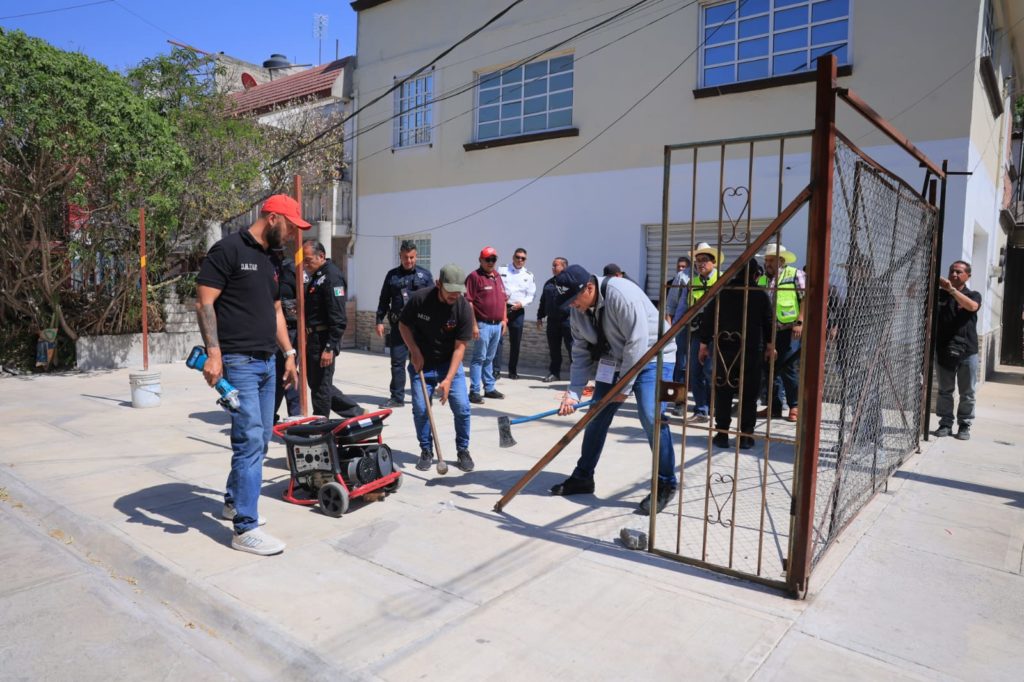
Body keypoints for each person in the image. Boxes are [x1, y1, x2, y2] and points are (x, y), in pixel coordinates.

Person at [195, 194, 303, 556]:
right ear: (273, 218)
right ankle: (245, 528)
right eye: (290, 227)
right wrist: (214, 354)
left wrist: (288, 354)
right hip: (237, 362)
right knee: (250, 437)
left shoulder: (272, 259)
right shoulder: (227, 250)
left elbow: (274, 310)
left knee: (259, 438)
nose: (291, 236)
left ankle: (232, 501)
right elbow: (205, 301)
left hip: (268, 361)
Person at [548, 265, 679, 515]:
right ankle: (583, 476)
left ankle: (666, 483)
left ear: (589, 287)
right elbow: (580, 352)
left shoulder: (622, 295)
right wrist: (573, 393)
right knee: (596, 415)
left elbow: (638, 343)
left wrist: (624, 387)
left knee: (651, 416)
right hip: (617, 359)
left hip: (654, 356)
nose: (572, 306)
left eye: (574, 299)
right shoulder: (578, 309)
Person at [399, 264, 475, 472]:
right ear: (438, 284)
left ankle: (463, 450)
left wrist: (449, 379)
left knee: (462, 407)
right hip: (421, 363)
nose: (454, 295)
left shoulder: (463, 308)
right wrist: (414, 351)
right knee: (422, 410)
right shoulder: (420, 299)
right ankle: (426, 450)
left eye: (458, 291)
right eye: (450, 290)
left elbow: (460, 347)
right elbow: (403, 325)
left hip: (449, 364)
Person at [698, 261, 773, 449]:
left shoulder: (723, 292)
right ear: (756, 274)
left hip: (726, 348)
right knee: (749, 393)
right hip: (751, 348)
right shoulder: (760, 295)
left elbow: (708, 317)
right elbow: (769, 321)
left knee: (724, 391)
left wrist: (703, 343)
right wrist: (771, 345)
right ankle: (745, 435)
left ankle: (722, 433)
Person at [302, 239, 364, 419]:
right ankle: (356, 412)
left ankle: (320, 427)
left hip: (323, 340)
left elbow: (338, 318)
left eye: (308, 260)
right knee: (317, 384)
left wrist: (330, 347)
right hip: (313, 338)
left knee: (321, 387)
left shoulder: (332, 277)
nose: (305, 265)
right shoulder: (317, 276)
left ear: (321, 256)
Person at [375, 240, 433, 408]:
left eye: (412, 257)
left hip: (420, 328)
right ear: (400, 256)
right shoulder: (392, 275)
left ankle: (422, 395)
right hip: (399, 327)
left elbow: (433, 301)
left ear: (416, 256)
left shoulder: (425, 275)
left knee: (420, 360)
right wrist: (379, 320)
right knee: (397, 362)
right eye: (405, 257)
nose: (409, 261)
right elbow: (384, 299)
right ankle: (397, 397)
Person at [756, 244, 806, 422]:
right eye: (766, 260)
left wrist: (800, 321)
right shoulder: (762, 279)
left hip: (789, 329)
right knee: (769, 368)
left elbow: (805, 298)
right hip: (769, 331)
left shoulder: (794, 274)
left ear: (781, 260)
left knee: (788, 367)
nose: (767, 263)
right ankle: (774, 407)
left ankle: (794, 406)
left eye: (770, 260)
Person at [935, 260, 981, 440]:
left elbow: (972, 307)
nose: (954, 274)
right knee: (945, 390)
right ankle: (945, 423)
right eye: (951, 271)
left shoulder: (973, 294)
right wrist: (930, 278)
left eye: (959, 272)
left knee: (967, 392)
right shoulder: (939, 295)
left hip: (967, 351)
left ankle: (964, 425)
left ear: (967, 276)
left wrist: (952, 290)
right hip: (944, 349)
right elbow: (912, 293)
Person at [465, 246, 508, 404]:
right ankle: (474, 391)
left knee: (490, 358)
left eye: (493, 259)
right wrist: (474, 325)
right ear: (480, 260)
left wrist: (504, 320)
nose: (491, 262)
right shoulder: (474, 277)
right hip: (482, 325)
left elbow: (503, 300)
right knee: (479, 359)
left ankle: (489, 388)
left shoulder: (497, 276)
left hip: (497, 325)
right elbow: (468, 303)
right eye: (487, 259)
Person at [686, 243, 723, 424]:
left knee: (712, 370)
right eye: (697, 261)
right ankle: (701, 410)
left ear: (714, 262)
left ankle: (715, 405)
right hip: (697, 331)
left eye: (704, 260)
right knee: (696, 371)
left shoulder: (723, 279)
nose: (700, 264)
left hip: (717, 332)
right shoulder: (692, 282)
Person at [495, 247, 535, 380]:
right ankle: (496, 370)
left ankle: (512, 371)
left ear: (525, 260)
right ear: (513, 257)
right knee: (498, 340)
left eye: (522, 258)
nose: (519, 260)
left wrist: (522, 304)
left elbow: (531, 295)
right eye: (517, 257)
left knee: (515, 342)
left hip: (517, 310)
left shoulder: (528, 275)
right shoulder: (502, 270)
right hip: (502, 308)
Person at [270, 248, 300, 421]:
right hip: (272, 329)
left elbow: (302, 298)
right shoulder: (267, 271)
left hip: (290, 329)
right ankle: (270, 413)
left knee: (288, 371)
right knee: (275, 372)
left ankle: (295, 414)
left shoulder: (290, 270)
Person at [537, 257, 573, 382]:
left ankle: (576, 375)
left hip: (568, 320)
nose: (553, 268)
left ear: (564, 267)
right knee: (554, 349)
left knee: (572, 348)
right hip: (552, 321)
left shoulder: (571, 283)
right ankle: (554, 373)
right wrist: (540, 316)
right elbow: (543, 301)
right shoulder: (549, 283)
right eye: (552, 265)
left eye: (555, 265)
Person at [666, 256, 691, 413]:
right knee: (679, 365)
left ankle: (704, 406)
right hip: (682, 325)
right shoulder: (681, 278)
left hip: (705, 327)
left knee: (703, 368)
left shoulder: (716, 276)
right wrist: (669, 328)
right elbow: (671, 304)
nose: (680, 269)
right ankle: (678, 402)